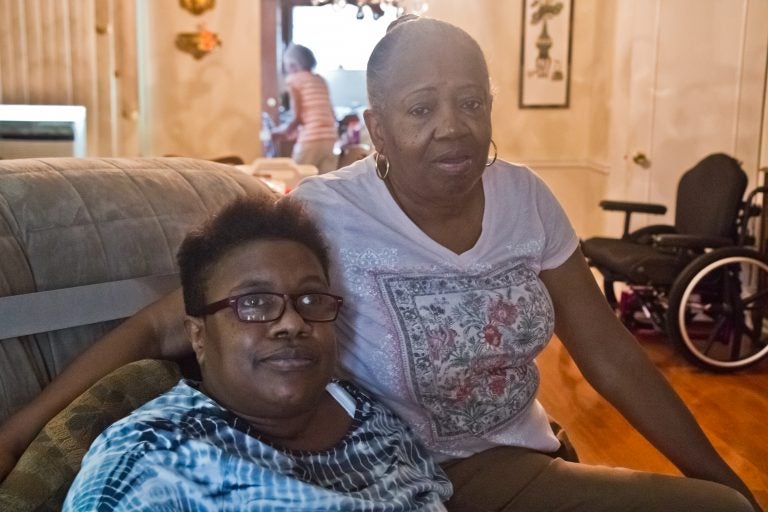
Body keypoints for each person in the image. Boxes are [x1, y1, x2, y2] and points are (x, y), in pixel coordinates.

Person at [0, 15, 761, 512]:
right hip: (413, 476)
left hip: (534, 451)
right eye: (422, 108)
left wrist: (719, 476)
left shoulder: (526, 200)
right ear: (376, 127)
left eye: (472, 102)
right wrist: (16, 435)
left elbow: (613, 360)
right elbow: (168, 324)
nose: (452, 128)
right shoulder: (326, 213)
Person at [62, 197, 451, 511]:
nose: (292, 323)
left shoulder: (372, 418)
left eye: (311, 298)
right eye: (255, 303)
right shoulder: (152, 463)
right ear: (198, 335)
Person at [271, 44, 339, 173]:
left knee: (297, 177)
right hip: (330, 136)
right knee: (325, 182)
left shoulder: (294, 80)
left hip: (311, 138)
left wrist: (282, 132)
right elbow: (329, 112)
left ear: (292, 64)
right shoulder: (320, 80)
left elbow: (297, 116)